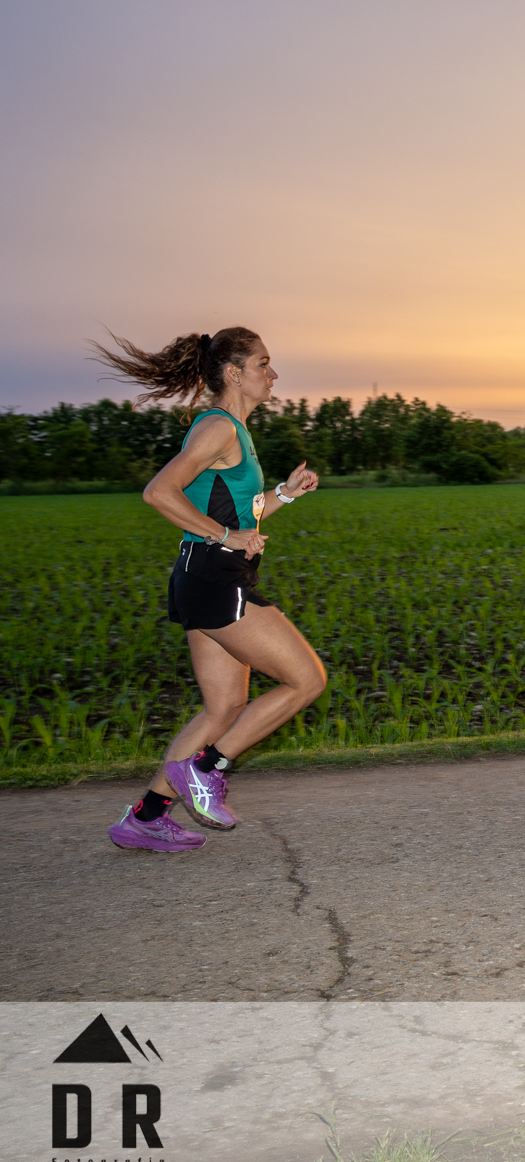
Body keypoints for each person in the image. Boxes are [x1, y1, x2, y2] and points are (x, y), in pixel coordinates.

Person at [91, 327, 326, 850]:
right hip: (216, 576)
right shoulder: (218, 428)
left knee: (223, 708)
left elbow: (240, 509)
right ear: (233, 373)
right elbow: (159, 492)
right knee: (306, 679)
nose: (273, 374)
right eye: (264, 364)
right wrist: (224, 536)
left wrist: (284, 495)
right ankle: (209, 768)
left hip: (204, 574)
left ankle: (145, 818)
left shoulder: (234, 431)